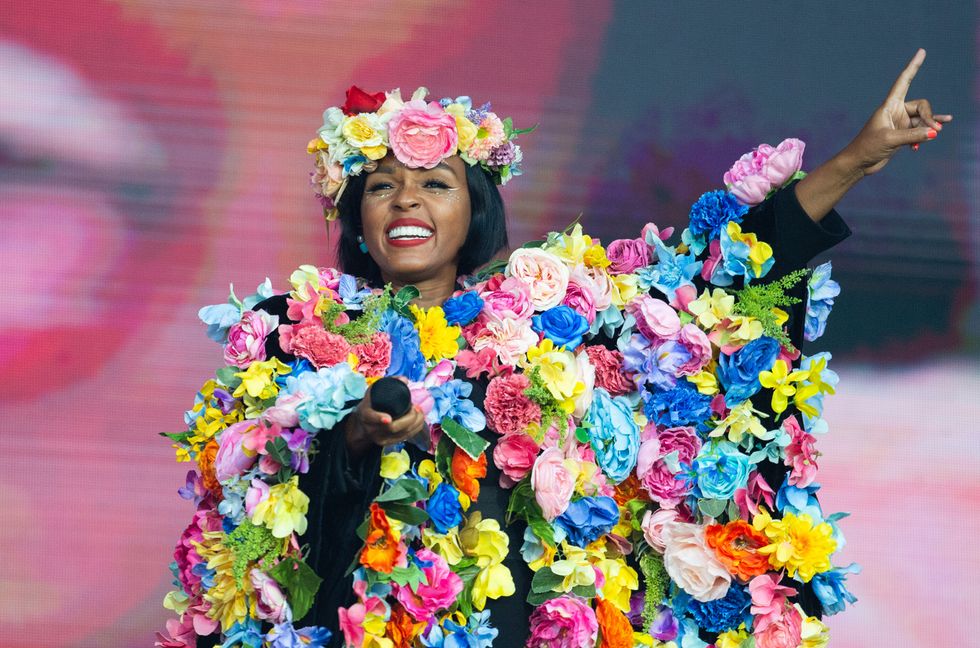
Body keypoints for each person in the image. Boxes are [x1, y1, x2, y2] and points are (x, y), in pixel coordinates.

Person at [180, 49, 949, 647]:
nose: (407, 199)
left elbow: (719, 280)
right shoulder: (295, 329)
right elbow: (280, 493)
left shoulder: (552, 318)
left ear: (473, 211)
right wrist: (355, 433)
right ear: (357, 215)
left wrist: (855, 157)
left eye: (435, 184)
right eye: (381, 185)